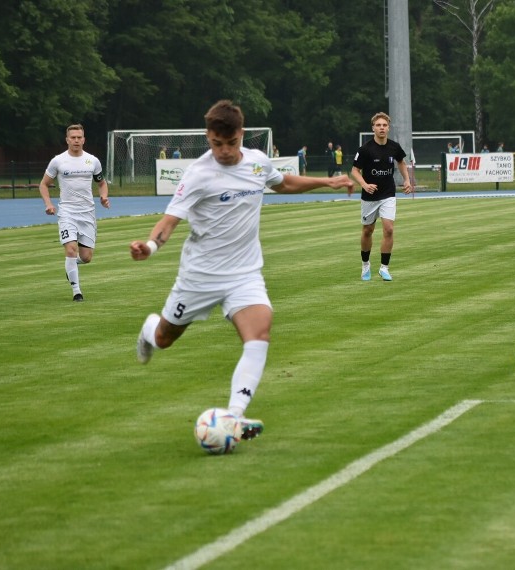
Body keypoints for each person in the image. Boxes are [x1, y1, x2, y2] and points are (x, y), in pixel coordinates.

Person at [130, 100, 353, 441]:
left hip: (245, 274)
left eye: (230, 143)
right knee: (165, 338)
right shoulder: (198, 174)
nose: (223, 151)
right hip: (200, 277)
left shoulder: (257, 163)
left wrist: (328, 182)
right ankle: (148, 331)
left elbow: (284, 184)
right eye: (216, 144)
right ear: (208, 138)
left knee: (260, 332)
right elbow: (170, 220)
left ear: (241, 135)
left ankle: (234, 416)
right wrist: (150, 247)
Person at [39, 124, 110, 302]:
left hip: (87, 214)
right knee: (71, 249)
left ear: (84, 140)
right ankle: (76, 292)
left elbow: (101, 183)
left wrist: (103, 196)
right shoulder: (58, 161)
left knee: (86, 257)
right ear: (67, 139)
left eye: (79, 137)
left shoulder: (92, 161)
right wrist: (48, 204)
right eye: (73, 137)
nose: (76, 140)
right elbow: (44, 184)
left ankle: (71, 265)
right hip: (67, 213)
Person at [351, 112, 414, 282]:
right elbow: (354, 170)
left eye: (384, 125)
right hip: (369, 196)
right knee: (367, 231)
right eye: (378, 125)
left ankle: (384, 268)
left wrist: (407, 180)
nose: (381, 128)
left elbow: (401, 162)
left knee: (389, 229)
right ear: (373, 128)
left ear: (388, 128)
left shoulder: (394, 147)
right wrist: (364, 185)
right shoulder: (365, 149)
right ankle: (365, 265)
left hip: (388, 193)